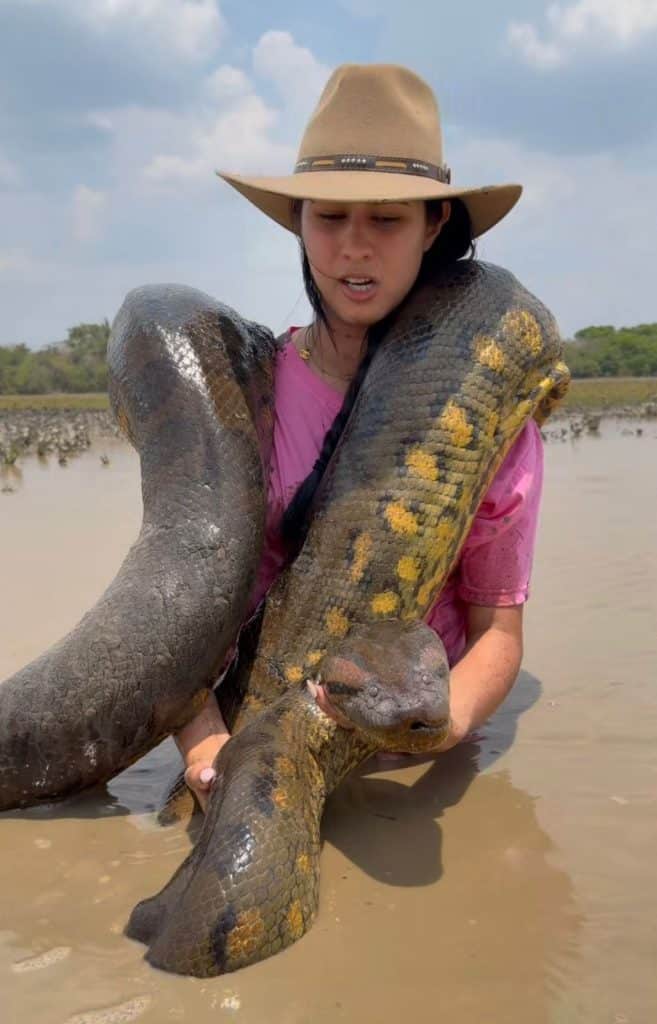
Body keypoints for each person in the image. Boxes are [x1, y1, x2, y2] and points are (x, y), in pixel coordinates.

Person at [174, 63, 543, 810]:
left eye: (386, 219)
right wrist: (203, 743)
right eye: (329, 218)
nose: (354, 248)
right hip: (242, 740)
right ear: (299, 222)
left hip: (401, 763)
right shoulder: (248, 394)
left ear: (434, 226)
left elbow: (496, 630)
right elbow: (184, 612)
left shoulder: (489, 418)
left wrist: (431, 729)